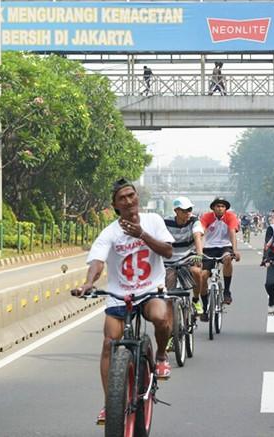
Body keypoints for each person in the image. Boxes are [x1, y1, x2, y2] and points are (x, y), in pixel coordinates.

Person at [73, 178, 174, 424]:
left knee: (161, 318)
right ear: (115, 205)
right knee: (109, 343)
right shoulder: (109, 233)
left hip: (151, 289)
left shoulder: (154, 221)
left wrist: (142, 234)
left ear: (137, 197)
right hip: (121, 293)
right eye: (122, 198)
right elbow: (97, 262)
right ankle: (111, 404)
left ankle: (160, 355)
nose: (128, 201)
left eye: (131, 195)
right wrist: (88, 283)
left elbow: (168, 251)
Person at [163, 196, 205, 315]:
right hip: (170, 259)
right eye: (184, 210)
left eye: (189, 210)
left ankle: (196, 300)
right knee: (169, 293)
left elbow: (197, 236)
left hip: (188, 257)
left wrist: (200, 254)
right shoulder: (166, 222)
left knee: (197, 272)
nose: (188, 213)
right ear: (176, 211)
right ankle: (172, 327)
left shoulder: (194, 221)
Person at [200, 197, 240, 312]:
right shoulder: (206, 217)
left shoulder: (231, 217)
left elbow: (232, 233)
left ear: (226, 208)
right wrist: (198, 249)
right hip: (209, 247)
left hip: (225, 246)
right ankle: (205, 306)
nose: (220, 208)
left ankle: (227, 291)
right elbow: (201, 232)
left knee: (227, 259)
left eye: (223, 206)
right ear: (213, 208)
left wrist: (235, 250)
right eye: (218, 206)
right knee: (203, 276)